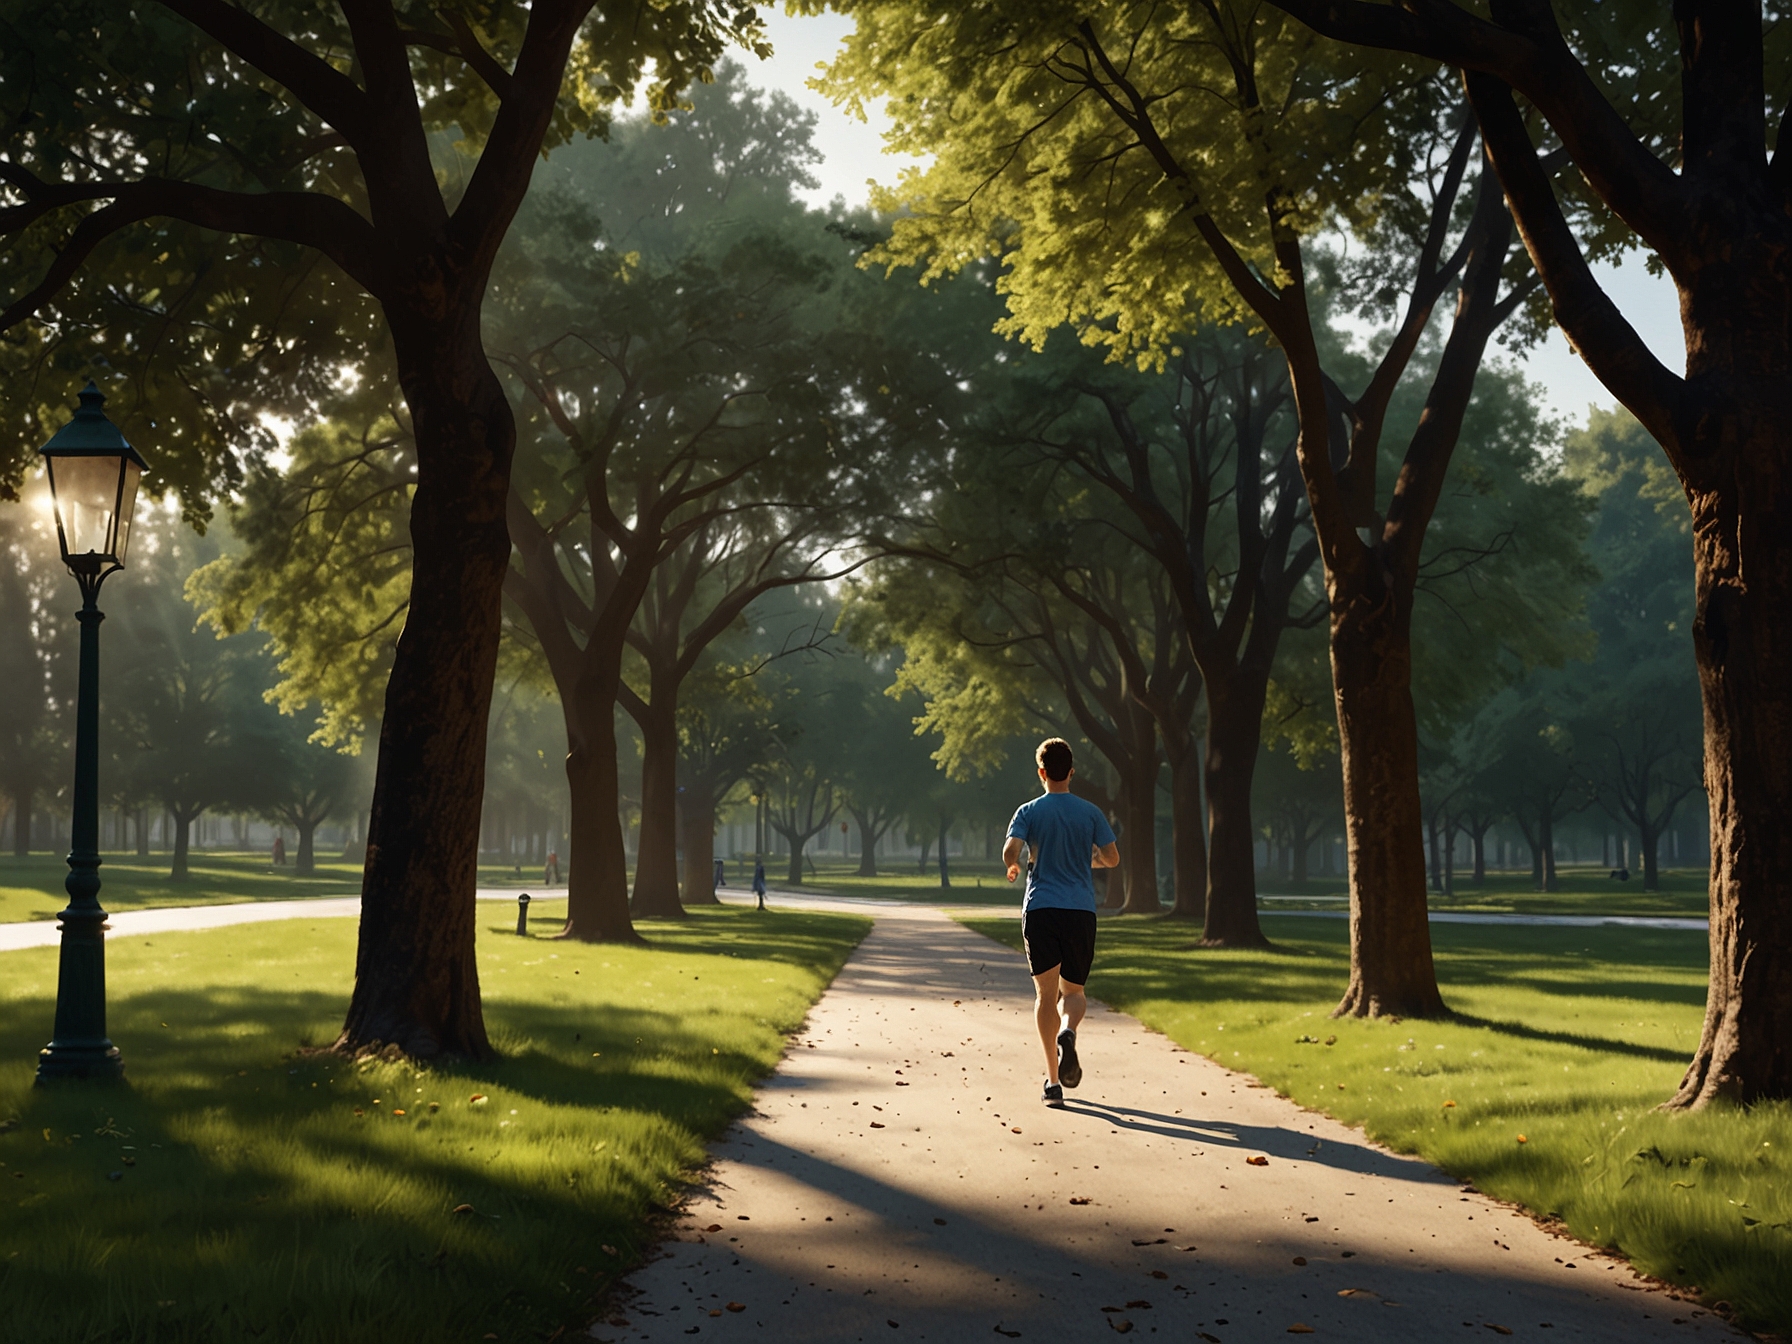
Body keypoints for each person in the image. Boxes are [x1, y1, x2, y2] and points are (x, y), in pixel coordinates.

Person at [1003, 738, 1120, 1106]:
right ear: (1071, 772)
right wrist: (1090, 862)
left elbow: (1011, 849)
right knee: (1074, 993)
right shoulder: (1090, 813)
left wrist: (1014, 863)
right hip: (1080, 911)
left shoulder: (1029, 811)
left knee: (1045, 995)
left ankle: (1053, 1083)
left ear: (1041, 772)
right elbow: (1113, 858)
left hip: (1041, 910)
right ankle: (1068, 1031)